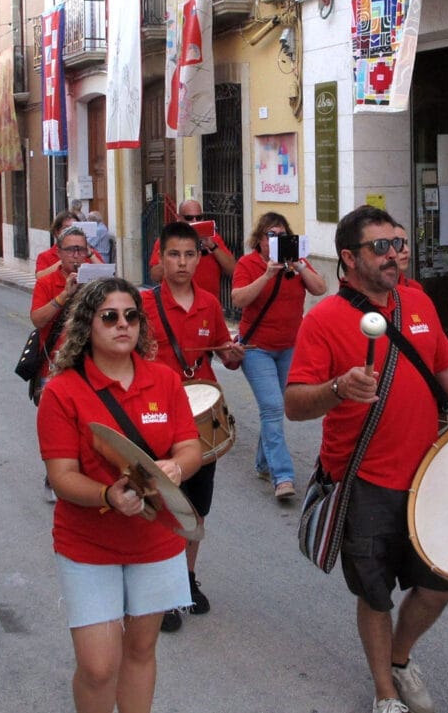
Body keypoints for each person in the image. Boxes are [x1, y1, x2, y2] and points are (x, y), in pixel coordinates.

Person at [285, 205, 448, 713]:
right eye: (381, 247)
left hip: (429, 476)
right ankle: (385, 692)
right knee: (375, 594)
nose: (395, 254)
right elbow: (295, 404)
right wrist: (337, 389)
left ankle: (399, 657)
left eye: (398, 243)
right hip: (364, 482)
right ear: (350, 258)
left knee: (439, 586)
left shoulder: (417, 302)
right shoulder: (323, 320)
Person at [37, 277, 202, 713]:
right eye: (109, 317)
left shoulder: (164, 379)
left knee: (141, 650)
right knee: (97, 666)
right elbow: (61, 476)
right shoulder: (62, 391)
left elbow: (190, 447)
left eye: (131, 316)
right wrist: (108, 496)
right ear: (87, 325)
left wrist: (177, 467)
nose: (122, 324)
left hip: (156, 540)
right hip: (88, 545)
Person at [140, 221, 245, 633]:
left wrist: (233, 355)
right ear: (161, 260)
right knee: (164, 505)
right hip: (157, 417)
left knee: (196, 508)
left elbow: (223, 356)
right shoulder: (144, 306)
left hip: (200, 418)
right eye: (174, 255)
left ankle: (185, 579)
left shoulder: (209, 304)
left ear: (199, 259)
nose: (182, 263)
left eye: (189, 255)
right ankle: (161, 590)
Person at [231, 211, 327, 500]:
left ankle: (263, 463)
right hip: (256, 349)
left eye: (282, 235)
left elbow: (320, 288)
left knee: (275, 408)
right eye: (271, 235)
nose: (276, 240)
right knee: (272, 407)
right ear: (259, 240)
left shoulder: (297, 263)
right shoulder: (248, 264)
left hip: (289, 347)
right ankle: (282, 476)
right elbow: (238, 299)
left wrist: (299, 266)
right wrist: (267, 274)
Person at [30, 226, 93, 501]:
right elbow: (37, 319)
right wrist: (63, 296)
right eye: (71, 250)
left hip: (88, 366)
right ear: (59, 253)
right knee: (56, 428)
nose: (77, 256)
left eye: (81, 250)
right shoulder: (47, 283)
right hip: (53, 368)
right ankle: (55, 475)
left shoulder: (96, 283)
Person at [149, 199, 236, 303]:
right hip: (174, 303)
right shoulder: (167, 240)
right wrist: (171, 255)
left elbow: (233, 270)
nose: (195, 222)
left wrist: (213, 247)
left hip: (207, 304)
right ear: (178, 218)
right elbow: (155, 276)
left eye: (199, 217)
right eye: (189, 218)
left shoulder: (212, 238)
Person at [36, 210, 105, 280]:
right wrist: (65, 260)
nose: (71, 232)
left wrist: (91, 256)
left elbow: (106, 277)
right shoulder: (45, 256)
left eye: (74, 228)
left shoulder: (89, 253)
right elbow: (40, 277)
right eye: (66, 229)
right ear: (57, 232)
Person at [393, 223, 422, 291]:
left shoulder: (415, 287)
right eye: (397, 243)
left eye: (406, 243)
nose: (406, 250)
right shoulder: (372, 292)